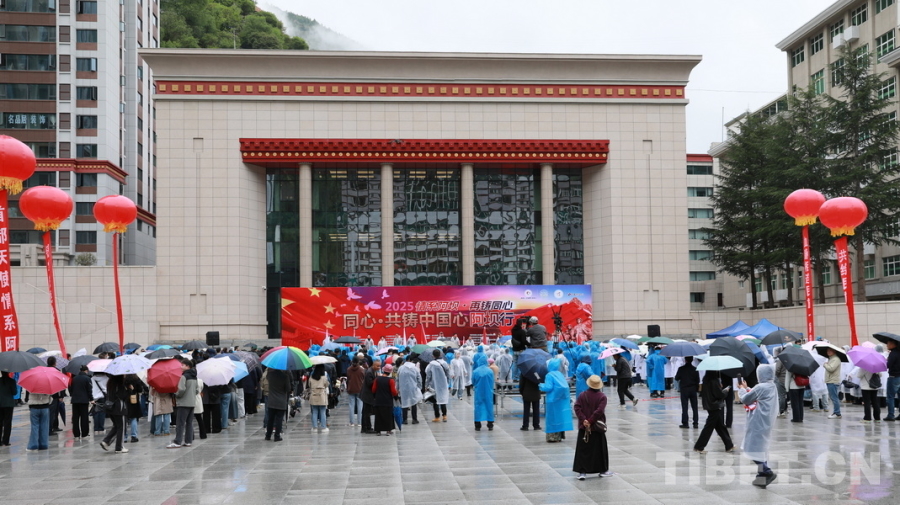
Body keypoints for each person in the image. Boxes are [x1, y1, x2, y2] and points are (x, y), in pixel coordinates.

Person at [738, 365, 778, 488]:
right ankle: (761, 476)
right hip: (767, 421)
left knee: (752, 448)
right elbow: (757, 393)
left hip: (757, 422)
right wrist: (747, 388)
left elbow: (745, 399)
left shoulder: (761, 387)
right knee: (761, 449)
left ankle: (766, 471)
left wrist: (742, 389)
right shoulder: (772, 386)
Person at [573, 375, 613, 479]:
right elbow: (599, 411)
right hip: (597, 427)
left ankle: (582, 472)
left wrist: (584, 420)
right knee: (600, 450)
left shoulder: (582, 395)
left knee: (583, 450)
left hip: (584, 427)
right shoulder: (602, 397)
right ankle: (602, 470)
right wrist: (590, 421)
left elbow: (577, 407)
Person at [693, 371, 734, 454]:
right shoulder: (714, 381)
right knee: (709, 427)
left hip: (709, 405)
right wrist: (725, 391)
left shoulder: (706, 379)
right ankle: (699, 446)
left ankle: (729, 445)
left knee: (720, 426)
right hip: (715, 406)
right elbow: (719, 395)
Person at [539, 358, 573, 442]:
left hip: (552, 400)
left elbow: (548, 387)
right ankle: (560, 436)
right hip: (561, 400)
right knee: (559, 418)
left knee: (552, 418)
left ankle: (553, 437)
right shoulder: (560, 374)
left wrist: (541, 385)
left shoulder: (549, 375)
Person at [168, 358, 198, 449]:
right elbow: (197, 390)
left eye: (182, 365)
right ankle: (188, 441)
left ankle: (177, 441)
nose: (181, 367)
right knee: (189, 423)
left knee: (180, 423)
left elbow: (181, 389)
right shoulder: (194, 376)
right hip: (192, 402)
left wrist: (176, 395)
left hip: (183, 402)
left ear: (187, 366)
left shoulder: (184, 376)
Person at [100, 374, 129, 453]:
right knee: (121, 427)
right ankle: (119, 447)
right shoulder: (120, 385)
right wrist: (129, 389)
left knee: (116, 426)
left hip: (111, 408)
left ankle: (106, 441)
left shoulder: (110, 383)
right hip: (119, 408)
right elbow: (123, 396)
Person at [265, 368, 293, 441]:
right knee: (279, 419)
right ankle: (277, 436)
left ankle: (268, 435)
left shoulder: (270, 375)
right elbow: (288, 389)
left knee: (270, 419)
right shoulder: (285, 376)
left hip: (271, 400)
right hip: (281, 401)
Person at [371, 364, 398, 435]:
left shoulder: (377, 379)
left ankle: (378, 431)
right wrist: (396, 394)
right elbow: (393, 391)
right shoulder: (391, 380)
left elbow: (373, 389)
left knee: (378, 415)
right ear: (390, 372)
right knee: (388, 415)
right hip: (387, 401)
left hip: (378, 400)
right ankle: (388, 430)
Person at [471, 353, 495, 431]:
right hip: (488, 391)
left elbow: (473, 382)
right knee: (489, 406)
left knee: (478, 406)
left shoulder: (475, 371)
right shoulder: (490, 371)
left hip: (478, 392)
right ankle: (490, 423)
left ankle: (477, 424)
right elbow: (492, 381)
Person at [24, 385, 52, 452]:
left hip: (34, 407)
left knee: (34, 426)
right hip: (45, 407)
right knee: (44, 426)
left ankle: (33, 446)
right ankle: (43, 444)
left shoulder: (31, 384)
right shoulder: (47, 384)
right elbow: (51, 397)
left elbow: (26, 399)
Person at [426, 350, 451, 422]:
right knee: (443, 400)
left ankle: (437, 417)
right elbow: (448, 374)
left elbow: (428, 375)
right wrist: (448, 383)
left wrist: (427, 385)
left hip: (434, 384)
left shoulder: (431, 364)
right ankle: (444, 416)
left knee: (435, 401)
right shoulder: (444, 363)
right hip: (443, 384)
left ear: (433, 356)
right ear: (440, 355)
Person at [69, 365, 93, 440]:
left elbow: (70, 388)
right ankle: (84, 434)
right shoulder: (87, 378)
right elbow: (89, 390)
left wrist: (72, 395)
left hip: (75, 400)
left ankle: (76, 434)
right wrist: (91, 399)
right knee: (84, 417)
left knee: (75, 418)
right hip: (84, 400)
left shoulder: (74, 378)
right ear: (86, 371)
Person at [675, 357, 700, 428]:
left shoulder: (681, 369)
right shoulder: (695, 369)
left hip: (684, 389)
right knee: (694, 407)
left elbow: (676, 378)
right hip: (693, 389)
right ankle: (695, 423)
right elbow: (698, 380)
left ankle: (685, 423)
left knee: (685, 406)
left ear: (685, 360)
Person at [398, 357, 422, 425]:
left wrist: (397, 388)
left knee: (404, 403)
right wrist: (419, 387)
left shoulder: (401, 368)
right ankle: (414, 419)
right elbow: (419, 379)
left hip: (403, 388)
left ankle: (404, 419)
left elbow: (397, 379)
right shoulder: (415, 368)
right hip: (413, 388)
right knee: (414, 403)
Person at [308, 364, 330, 433]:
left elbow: (309, 385)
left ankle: (314, 427)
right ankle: (323, 427)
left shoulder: (311, 377)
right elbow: (326, 385)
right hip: (322, 396)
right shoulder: (324, 377)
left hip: (313, 395)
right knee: (323, 412)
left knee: (314, 412)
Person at [359, 360, 380, 433]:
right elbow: (369, 383)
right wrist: (377, 379)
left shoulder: (373, 371)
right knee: (366, 412)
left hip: (368, 395)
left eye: (379, 366)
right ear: (373, 365)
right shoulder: (369, 372)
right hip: (367, 395)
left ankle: (367, 427)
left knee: (366, 412)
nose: (379, 367)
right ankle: (366, 428)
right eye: (377, 366)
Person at [124, 374, 146, 443]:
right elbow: (140, 390)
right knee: (133, 419)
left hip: (124, 401)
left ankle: (124, 437)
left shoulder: (122, 380)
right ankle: (134, 436)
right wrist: (133, 389)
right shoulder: (136, 379)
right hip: (134, 401)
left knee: (124, 420)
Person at [823, 348, 842, 419]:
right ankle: (837, 412)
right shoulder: (831, 359)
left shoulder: (835, 359)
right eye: (827, 351)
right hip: (830, 380)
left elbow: (831, 369)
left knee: (834, 398)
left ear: (834, 351)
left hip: (833, 381)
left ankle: (837, 413)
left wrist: (825, 365)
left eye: (830, 350)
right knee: (833, 397)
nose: (828, 352)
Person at [346, 358, 365, 427]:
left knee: (351, 406)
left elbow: (348, 379)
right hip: (360, 389)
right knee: (360, 405)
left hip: (351, 388)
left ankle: (352, 422)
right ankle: (359, 422)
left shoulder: (349, 369)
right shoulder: (361, 369)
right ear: (358, 362)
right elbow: (364, 378)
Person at [884, 339, 899, 421]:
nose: (887, 345)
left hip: (893, 377)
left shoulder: (893, 354)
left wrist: (887, 361)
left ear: (894, 344)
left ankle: (891, 415)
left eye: (888, 343)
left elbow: (889, 365)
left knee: (890, 397)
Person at [0, 371, 16, 446]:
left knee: (0, 422)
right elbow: (14, 392)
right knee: (7, 422)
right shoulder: (12, 381)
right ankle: (6, 440)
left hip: (0, 403)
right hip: (9, 404)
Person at [772, 348, 788, 418]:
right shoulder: (789, 360)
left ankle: (781, 410)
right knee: (784, 395)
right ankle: (785, 409)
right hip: (787, 380)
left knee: (781, 396)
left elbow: (777, 370)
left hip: (781, 379)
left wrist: (777, 375)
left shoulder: (781, 360)